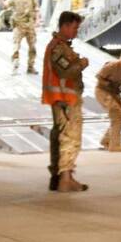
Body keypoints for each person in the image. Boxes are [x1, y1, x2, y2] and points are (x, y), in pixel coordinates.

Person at [42, 11, 89, 192]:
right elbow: (65, 71)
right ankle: (65, 180)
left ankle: (62, 177)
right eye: (75, 27)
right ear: (65, 26)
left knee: (62, 138)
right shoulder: (57, 48)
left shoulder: (60, 46)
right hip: (65, 100)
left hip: (64, 99)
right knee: (70, 139)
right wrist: (82, 64)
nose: (76, 31)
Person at [95, 47, 121, 152]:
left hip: (114, 92)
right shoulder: (112, 65)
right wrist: (109, 85)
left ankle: (106, 141)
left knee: (118, 117)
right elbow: (98, 77)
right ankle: (114, 145)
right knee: (117, 116)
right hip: (102, 91)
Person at [2, 0, 40, 75]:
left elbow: (36, 8)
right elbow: (5, 5)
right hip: (19, 26)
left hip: (30, 25)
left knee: (32, 47)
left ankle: (31, 67)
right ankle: (15, 66)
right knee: (16, 47)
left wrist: (37, 20)